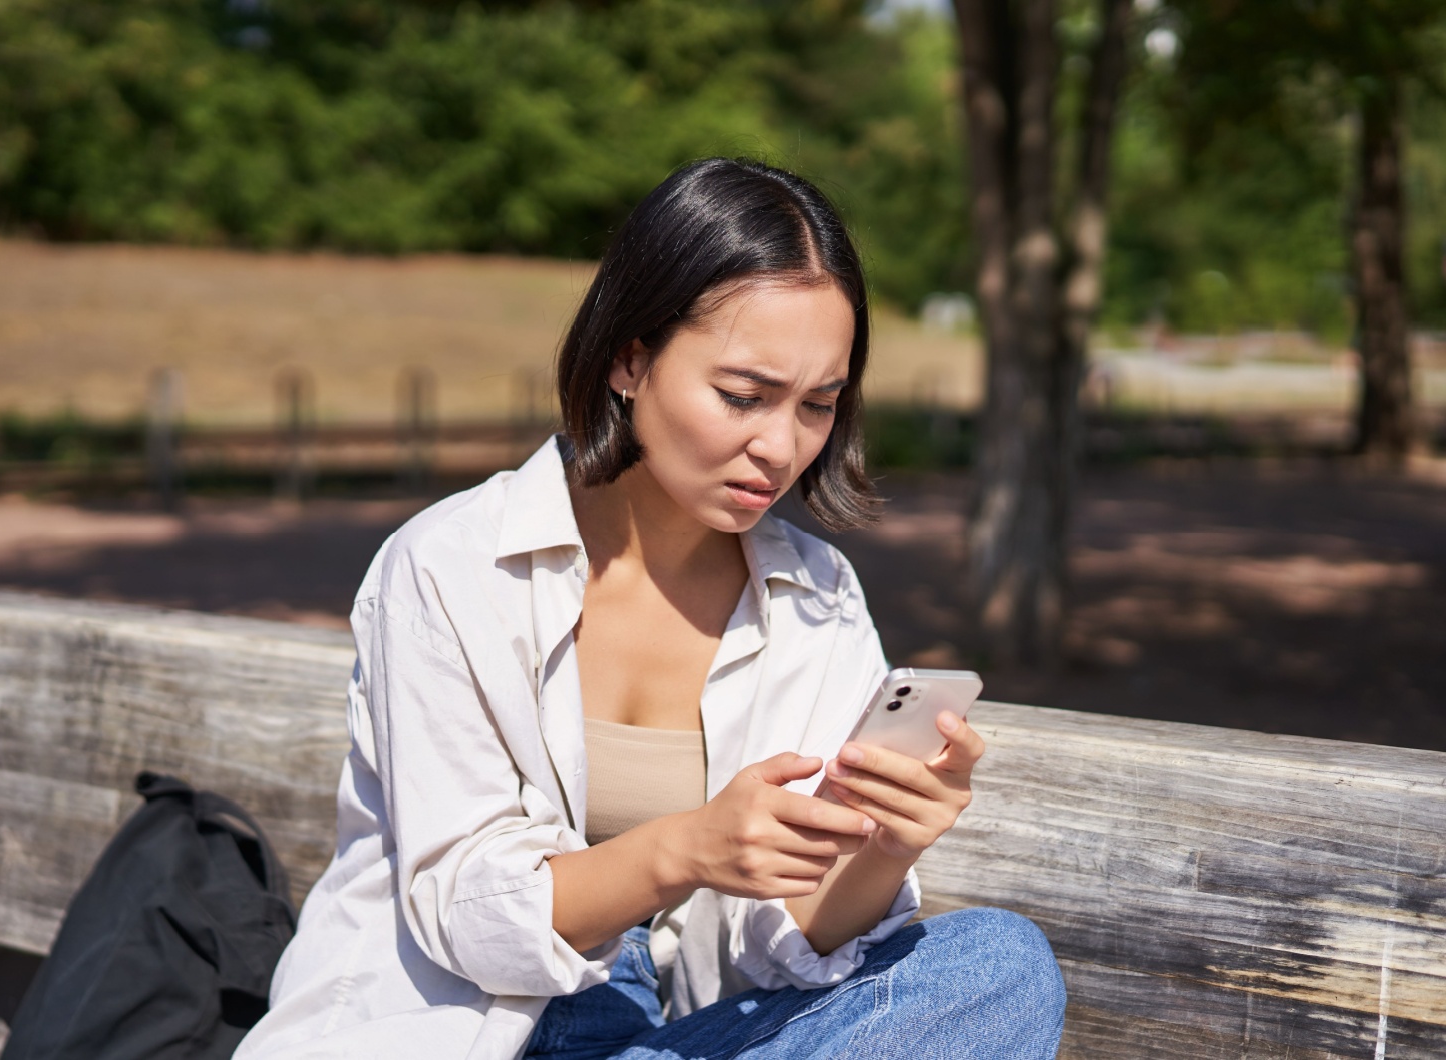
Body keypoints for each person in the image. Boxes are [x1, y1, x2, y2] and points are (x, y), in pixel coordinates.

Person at [234, 158, 1065, 1060]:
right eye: (743, 396)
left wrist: (887, 848)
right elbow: (465, 924)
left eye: (819, 404)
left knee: (1000, 965)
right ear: (631, 358)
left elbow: (787, 950)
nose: (780, 447)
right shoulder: (453, 565)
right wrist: (686, 851)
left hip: (663, 1034)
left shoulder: (816, 596)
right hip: (465, 1030)